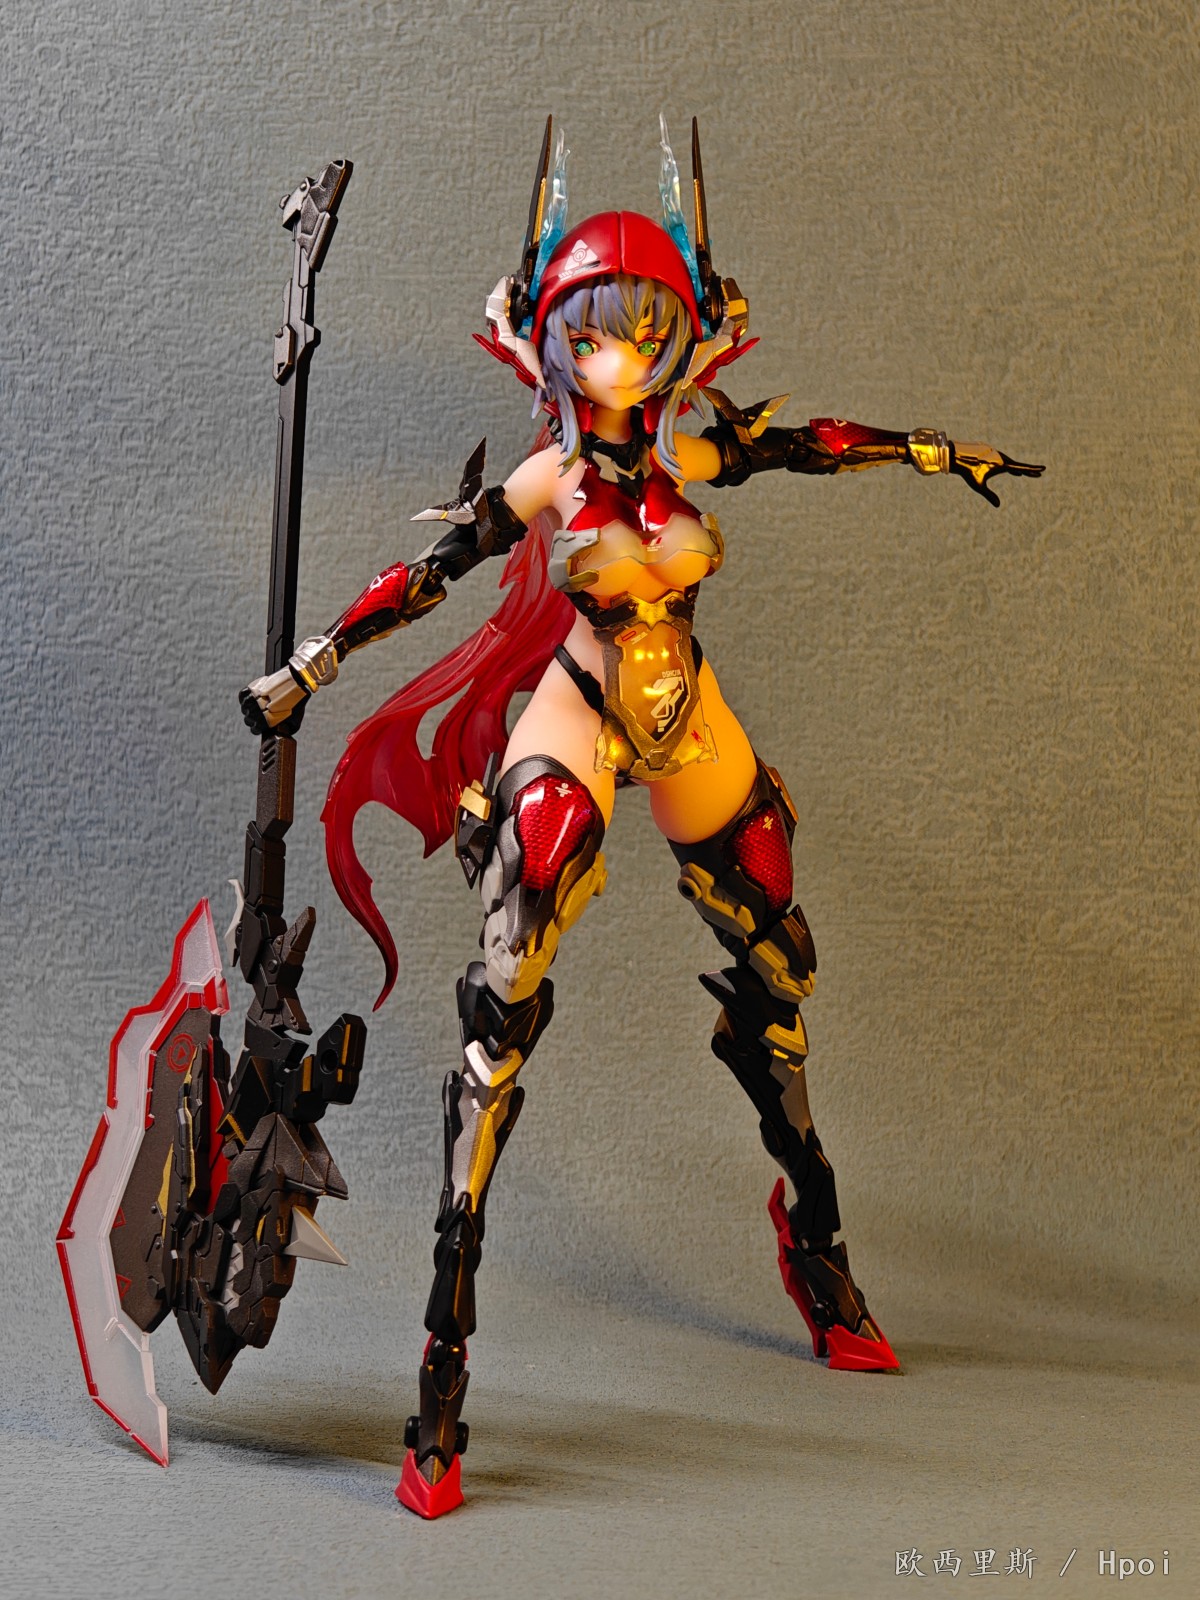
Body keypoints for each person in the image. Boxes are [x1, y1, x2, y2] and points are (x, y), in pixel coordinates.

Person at [242, 118, 1043, 1518]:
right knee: (509, 983)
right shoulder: (556, 476)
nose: (620, 351)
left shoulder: (695, 446)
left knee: (779, 949)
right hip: (582, 699)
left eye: (644, 325)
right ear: (555, 338)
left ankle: (813, 1237)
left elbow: (808, 443)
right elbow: (432, 572)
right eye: (596, 328)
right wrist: (313, 663)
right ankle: (444, 1354)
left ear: (680, 332)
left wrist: (931, 448)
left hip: (683, 701)